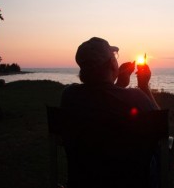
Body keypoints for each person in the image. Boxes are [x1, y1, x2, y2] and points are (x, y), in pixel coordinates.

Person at [60, 37, 161, 188]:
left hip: (84, 180)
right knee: (160, 151)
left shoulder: (69, 95)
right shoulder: (136, 98)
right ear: (111, 64)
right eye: (114, 57)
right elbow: (160, 126)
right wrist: (144, 86)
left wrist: (118, 83)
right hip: (129, 181)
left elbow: (100, 98)